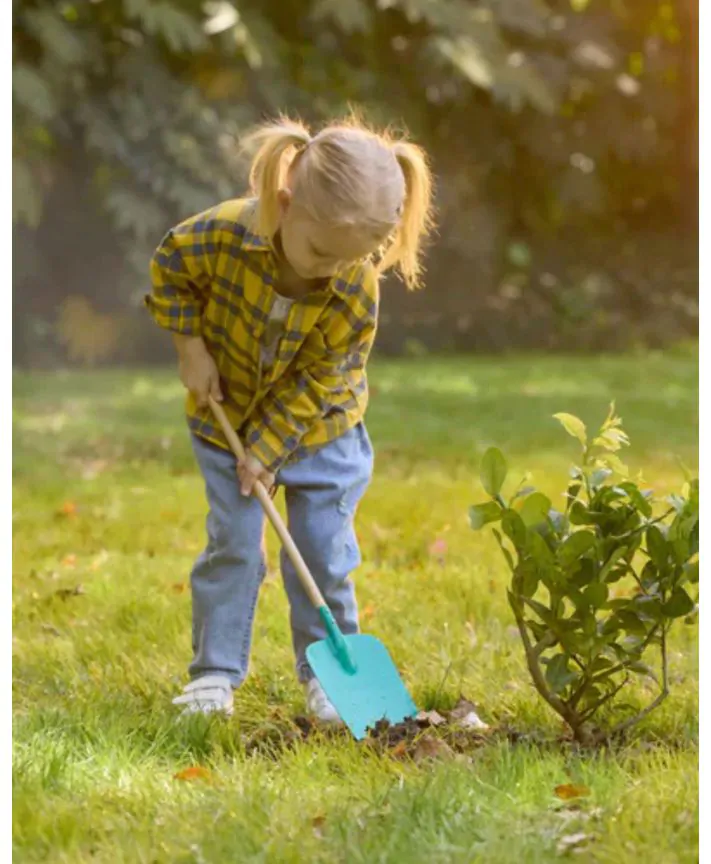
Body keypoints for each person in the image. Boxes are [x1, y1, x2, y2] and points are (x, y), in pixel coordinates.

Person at [145, 115, 434, 720]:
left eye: (355, 257)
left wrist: (270, 450)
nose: (332, 268)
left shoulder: (354, 285)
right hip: (226, 417)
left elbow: (321, 379)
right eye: (322, 250)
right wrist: (190, 349)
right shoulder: (221, 233)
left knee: (323, 551)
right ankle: (214, 675)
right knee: (235, 544)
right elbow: (169, 269)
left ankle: (328, 675)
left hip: (322, 434)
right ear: (284, 203)